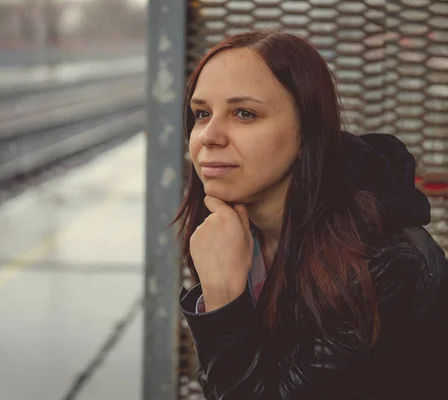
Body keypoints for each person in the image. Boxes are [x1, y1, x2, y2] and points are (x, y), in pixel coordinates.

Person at [173, 30, 448, 400]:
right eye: (202, 113)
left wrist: (223, 303)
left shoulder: (381, 263)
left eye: (244, 113)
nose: (209, 135)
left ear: (306, 132)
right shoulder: (235, 234)